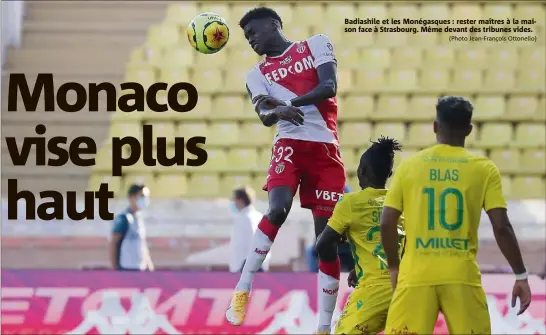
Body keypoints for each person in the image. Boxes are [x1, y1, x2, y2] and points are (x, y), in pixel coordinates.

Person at [226, 7, 346, 332]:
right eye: (247, 37)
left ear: (274, 24)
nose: (250, 40)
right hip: (289, 146)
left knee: (326, 242)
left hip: (325, 151)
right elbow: (265, 115)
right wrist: (279, 110)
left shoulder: (315, 45)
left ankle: (323, 325)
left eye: (253, 32)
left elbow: (329, 85)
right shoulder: (256, 75)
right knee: (277, 209)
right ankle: (243, 285)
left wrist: (290, 105)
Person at [380, 96, 532, 334]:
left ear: (435, 127)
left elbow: (387, 222)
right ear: (469, 130)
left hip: (415, 275)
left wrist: (393, 266)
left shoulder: (410, 166)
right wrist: (520, 275)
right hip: (461, 276)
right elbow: (501, 226)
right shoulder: (483, 169)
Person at [316, 136, 404, 334]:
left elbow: (322, 244)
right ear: (390, 173)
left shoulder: (351, 203)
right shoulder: (401, 200)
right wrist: (362, 265)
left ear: (361, 171)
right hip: (405, 290)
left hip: (373, 291)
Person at [110, 184, 154, 271]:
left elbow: (142, 244)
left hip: (140, 267)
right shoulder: (123, 218)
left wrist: (149, 264)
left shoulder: (139, 218)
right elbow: (114, 243)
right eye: (142, 196)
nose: (145, 199)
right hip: (126, 267)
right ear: (131, 197)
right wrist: (114, 267)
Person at [229, 186, 270, 273]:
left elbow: (241, 246)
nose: (234, 203)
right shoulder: (259, 216)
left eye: (234, 200)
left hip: (244, 268)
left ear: (240, 200)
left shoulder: (243, 218)